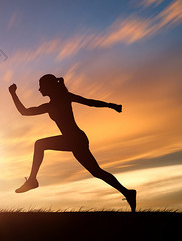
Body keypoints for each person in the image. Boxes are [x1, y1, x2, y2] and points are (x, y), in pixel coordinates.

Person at [9, 74, 136, 212]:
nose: (39, 89)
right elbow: (25, 112)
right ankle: (128, 193)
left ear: (49, 87)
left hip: (75, 139)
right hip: (74, 140)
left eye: (41, 86)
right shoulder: (49, 106)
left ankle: (32, 180)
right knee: (97, 172)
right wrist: (13, 94)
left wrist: (111, 105)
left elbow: (89, 102)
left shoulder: (65, 97)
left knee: (40, 144)